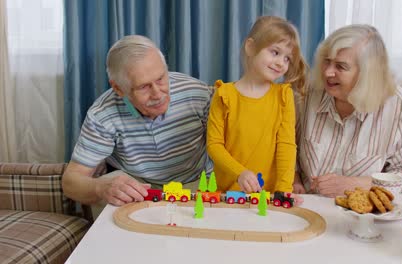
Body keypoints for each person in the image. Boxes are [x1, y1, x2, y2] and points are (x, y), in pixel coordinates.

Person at [62, 35, 213, 209]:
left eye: (161, 79)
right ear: (119, 88)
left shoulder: (197, 94)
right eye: (144, 87)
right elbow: (71, 182)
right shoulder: (102, 115)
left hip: (197, 184)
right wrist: (100, 187)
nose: (158, 94)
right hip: (139, 192)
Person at [293, 24, 402, 197]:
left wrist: (355, 184)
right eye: (326, 61)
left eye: (340, 66)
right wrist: (294, 179)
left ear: (367, 74)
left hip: (362, 214)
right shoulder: (306, 93)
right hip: (306, 205)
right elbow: (283, 145)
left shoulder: (398, 107)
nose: (328, 72)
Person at [207, 16, 307, 204]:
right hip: (227, 194)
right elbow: (214, 145)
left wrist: (284, 190)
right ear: (251, 47)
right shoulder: (224, 95)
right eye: (275, 52)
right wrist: (240, 173)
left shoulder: (284, 97)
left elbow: (286, 146)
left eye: (287, 58)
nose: (281, 63)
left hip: (267, 196)